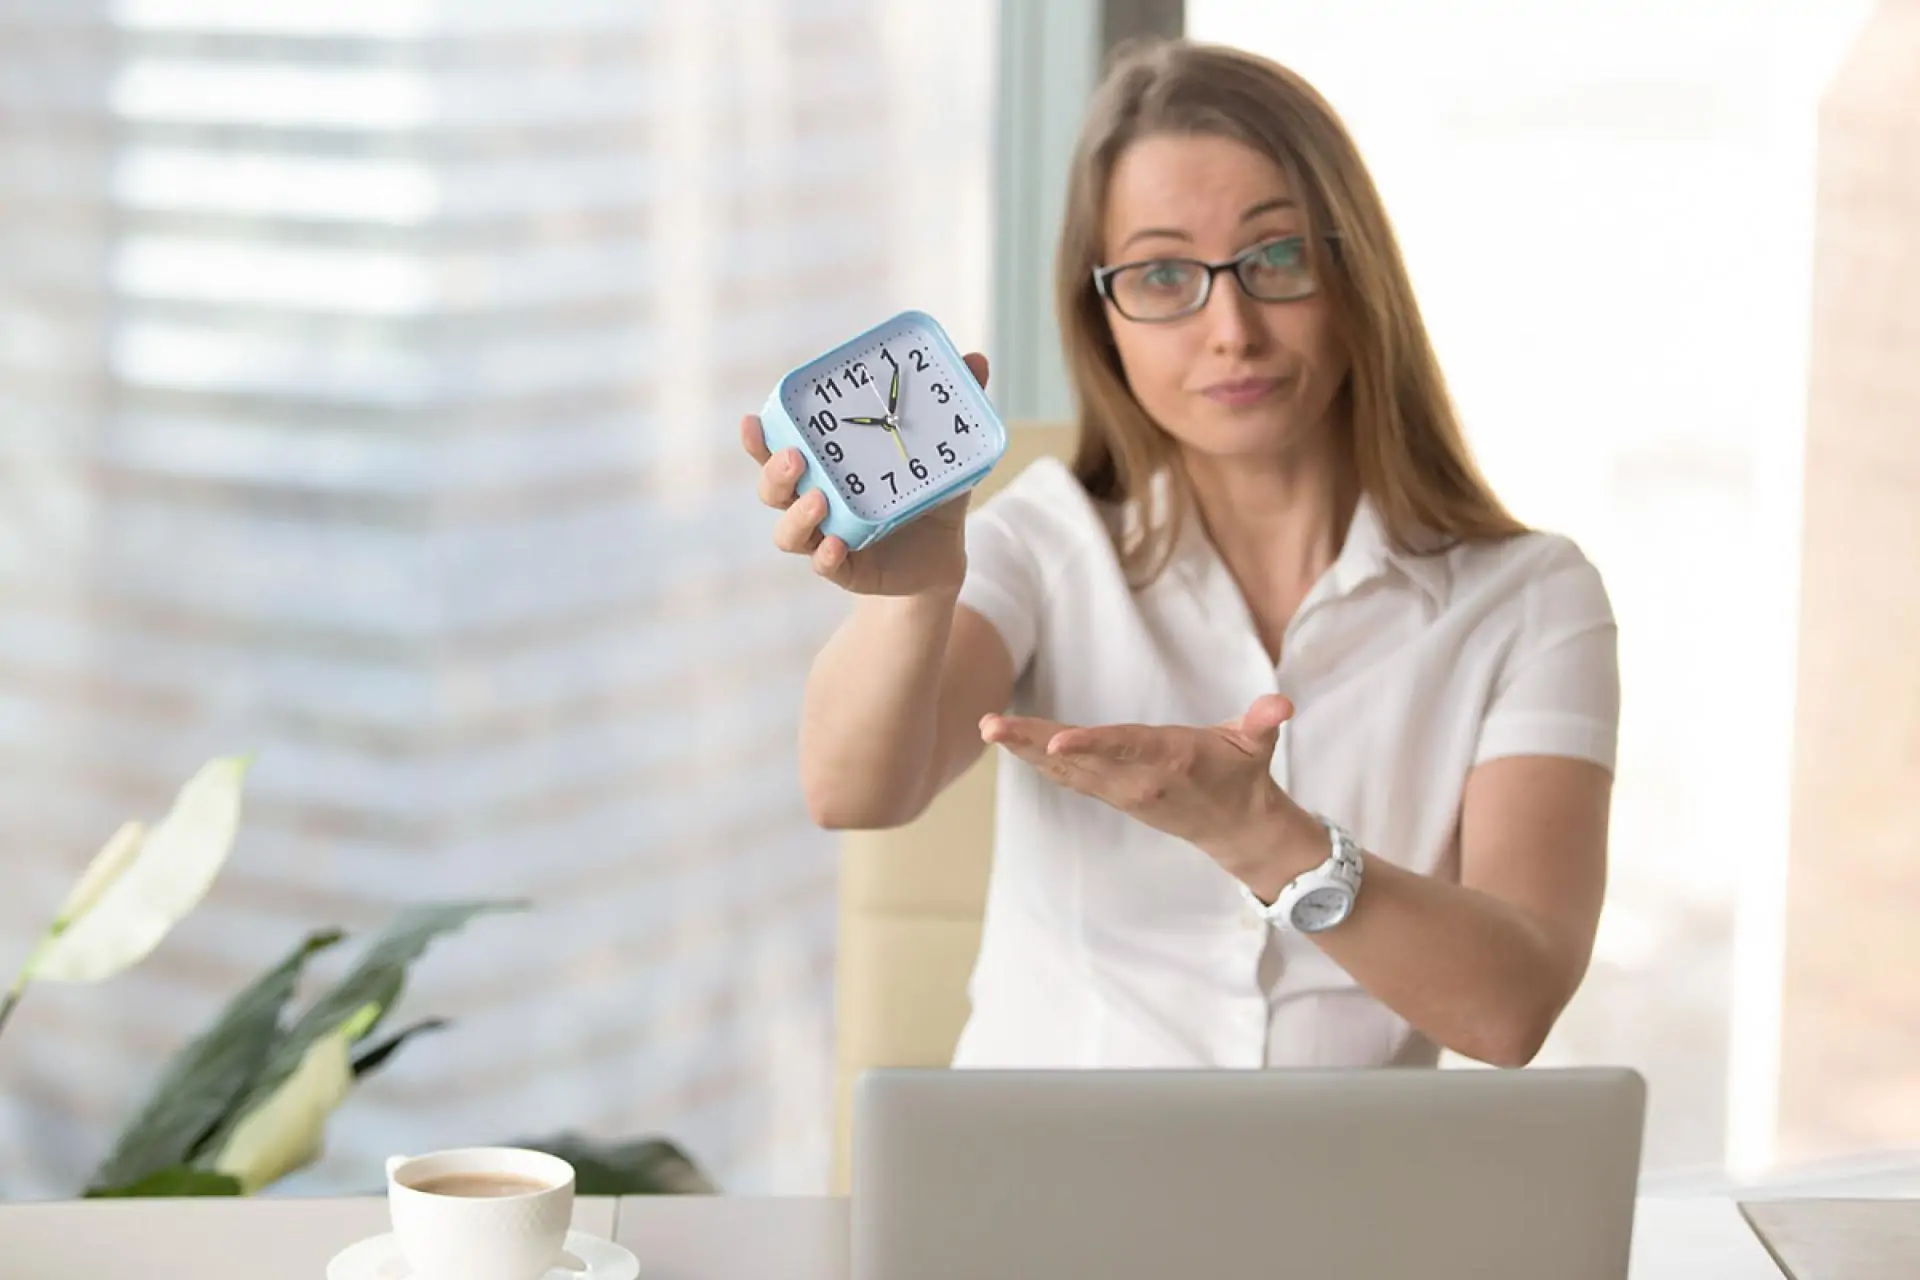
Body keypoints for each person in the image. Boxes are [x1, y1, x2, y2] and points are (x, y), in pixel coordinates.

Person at [741, 38, 1617, 1072]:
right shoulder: (1044, 537)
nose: (1231, 329)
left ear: (1354, 276)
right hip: (1038, 1196)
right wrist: (917, 592)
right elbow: (853, 790)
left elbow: (1510, 1007)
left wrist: (1260, 832)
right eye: (1163, 275)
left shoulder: (1531, 599)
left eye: (1277, 258)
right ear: (1100, 315)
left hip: (1339, 1212)